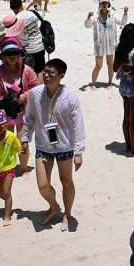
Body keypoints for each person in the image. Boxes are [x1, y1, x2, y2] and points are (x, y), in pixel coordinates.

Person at [23, 58, 85, 230]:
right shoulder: (35, 94)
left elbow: (78, 125)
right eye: (45, 71)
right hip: (43, 145)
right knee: (43, 185)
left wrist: (79, 152)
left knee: (66, 181)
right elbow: (29, 118)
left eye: (51, 73)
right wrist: (25, 139)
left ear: (61, 75)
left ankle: (67, 214)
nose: (46, 75)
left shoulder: (70, 97)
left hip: (65, 146)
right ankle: (53, 205)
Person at [0, 38, 40, 174]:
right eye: (8, 54)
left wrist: (24, 96)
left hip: (23, 111)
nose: (12, 56)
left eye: (15, 53)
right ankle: (9, 167)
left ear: (19, 55)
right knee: (6, 142)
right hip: (5, 113)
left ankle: (23, 168)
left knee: (23, 141)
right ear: (3, 57)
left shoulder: (27, 70)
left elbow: (36, 87)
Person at [113, 23, 134, 156]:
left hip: (124, 84)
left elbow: (115, 68)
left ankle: (128, 146)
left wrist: (126, 70)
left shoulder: (120, 49)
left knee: (127, 117)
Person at [84, 0, 128, 88]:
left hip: (110, 43)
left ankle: (110, 82)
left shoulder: (113, 15)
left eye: (106, 3)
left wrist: (125, 13)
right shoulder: (95, 15)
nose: (104, 4)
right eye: (102, 3)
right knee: (98, 65)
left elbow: (123, 22)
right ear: (99, 5)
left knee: (110, 64)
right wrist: (88, 17)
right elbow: (87, 26)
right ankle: (93, 83)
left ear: (108, 4)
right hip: (99, 44)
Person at [10, 0, 46, 73]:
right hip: (40, 46)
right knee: (39, 71)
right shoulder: (32, 13)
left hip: (28, 50)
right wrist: (39, 8)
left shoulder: (14, 21)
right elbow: (42, 14)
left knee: (27, 73)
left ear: (11, 8)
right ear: (21, 5)